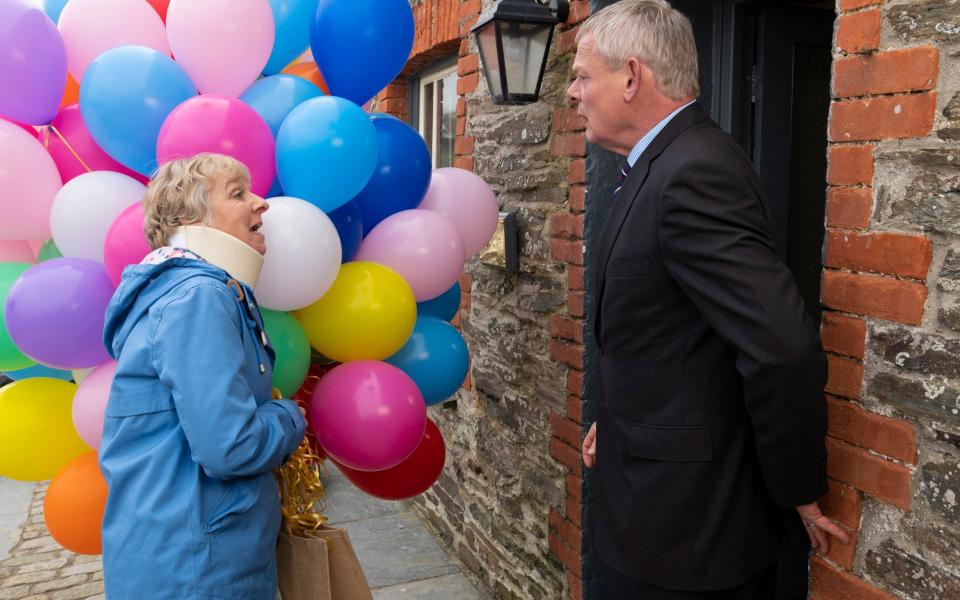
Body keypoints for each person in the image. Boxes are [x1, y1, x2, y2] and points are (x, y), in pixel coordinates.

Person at [570, 2, 848, 598]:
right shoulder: (656, 164)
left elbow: (781, 349)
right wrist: (618, 423)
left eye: (582, 74)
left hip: (690, 536)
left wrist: (796, 486)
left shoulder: (695, 173)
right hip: (652, 512)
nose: (573, 91)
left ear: (631, 76)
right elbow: (673, 332)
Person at [99, 153, 307, 599]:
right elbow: (232, 447)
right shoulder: (198, 296)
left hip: (184, 549)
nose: (261, 203)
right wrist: (290, 415)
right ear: (191, 217)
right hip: (198, 565)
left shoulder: (190, 292)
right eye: (238, 193)